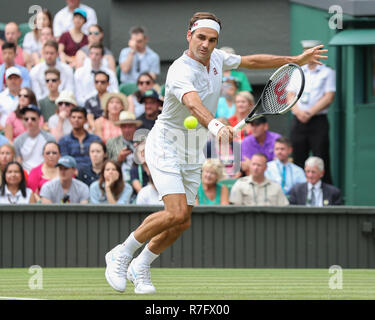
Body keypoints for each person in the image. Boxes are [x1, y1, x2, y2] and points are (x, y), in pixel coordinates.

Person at [104, 11, 327, 295]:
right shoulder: (180, 70)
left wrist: (294, 60)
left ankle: (142, 264)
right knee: (174, 212)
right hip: (165, 146)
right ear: (189, 36)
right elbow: (194, 104)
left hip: (192, 152)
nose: (206, 44)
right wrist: (216, 124)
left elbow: (253, 61)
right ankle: (121, 254)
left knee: (183, 220)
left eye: (212, 39)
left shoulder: (218, 59)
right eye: (201, 37)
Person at [289, 40, 336, 184]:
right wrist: (299, 112)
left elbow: (328, 97)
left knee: (321, 157)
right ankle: (299, 193)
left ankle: (326, 195)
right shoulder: (297, 71)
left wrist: (309, 113)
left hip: (317, 121)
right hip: (298, 120)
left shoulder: (327, 72)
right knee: (298, 157)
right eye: (306, 52)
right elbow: (290, 95)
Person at [14, 104, 56, 172]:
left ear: (39, 119)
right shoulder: (18, 141)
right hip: (25, 175)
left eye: (33, 119)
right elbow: (18, 162)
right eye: (26, 119)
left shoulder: (50, 139)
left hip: (44, 173)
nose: (29, 121)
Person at [58, 106, 102, 171]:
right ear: (70, 120)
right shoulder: (64, 140)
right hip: (73, 174)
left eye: (80, 117)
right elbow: (65, 161)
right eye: (73, 117)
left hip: (93, 173)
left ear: (86, 120)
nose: (76, 120)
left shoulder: (95, 139)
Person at [106, 111, 141, 183]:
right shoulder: (112, 142)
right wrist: (119, 160)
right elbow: (107, 165)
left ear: (135, 127)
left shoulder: (143, 143)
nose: (127, 130)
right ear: (120, 128)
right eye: (124, 127)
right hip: (119, 181)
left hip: (140, 178)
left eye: (130, 126)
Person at [0, 67, 23, 131]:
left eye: (15, 78)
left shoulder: (27, 95)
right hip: (3, 132)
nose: (13, 81)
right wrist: (5, 129)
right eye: (10, 78)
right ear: (6, 81)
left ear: (21, 80)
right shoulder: (0, 97)